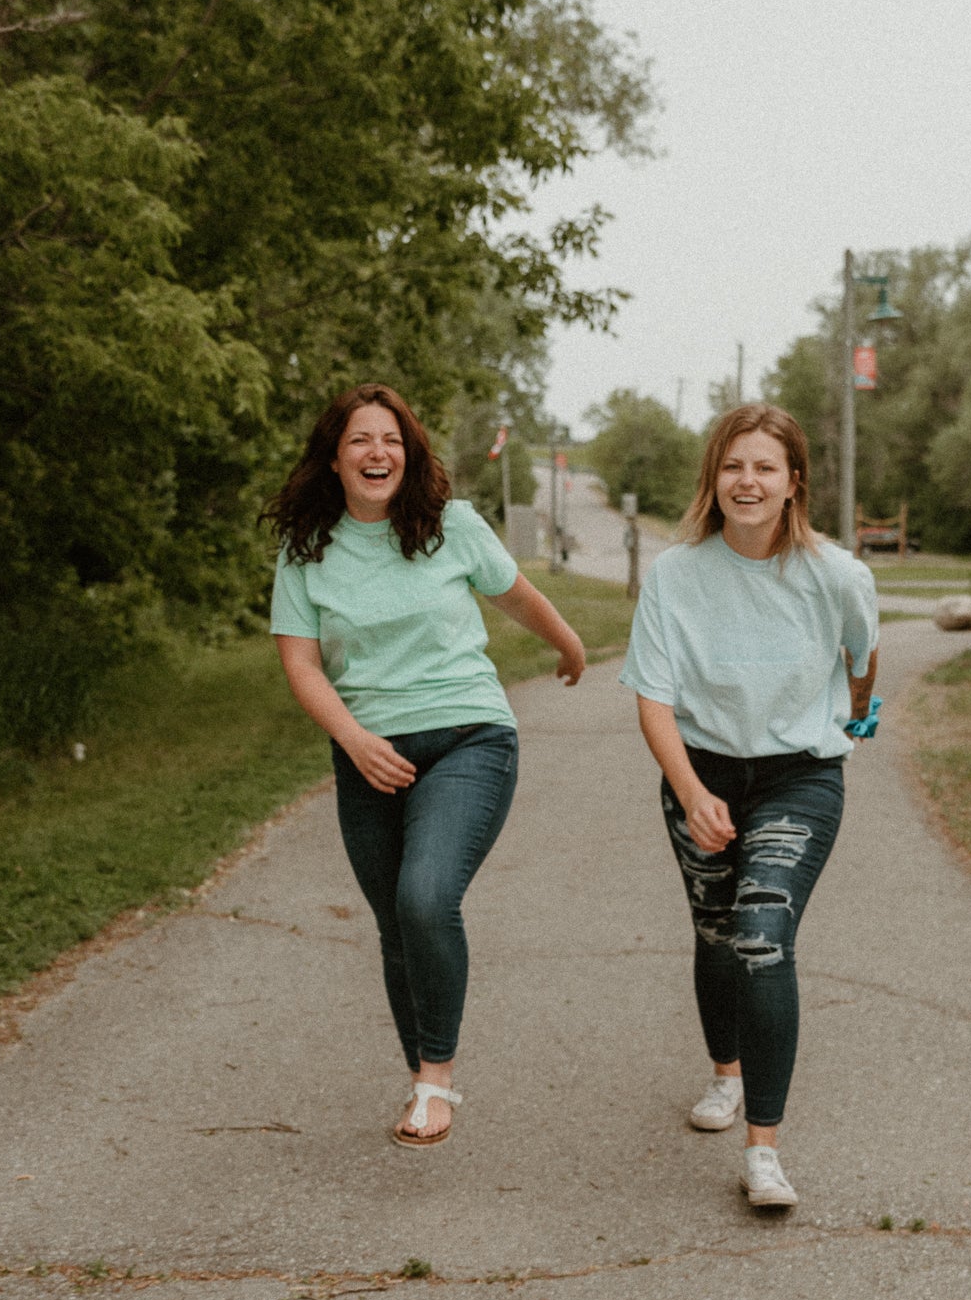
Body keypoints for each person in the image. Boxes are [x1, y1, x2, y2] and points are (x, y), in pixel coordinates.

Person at [266, 383, 586, 1147]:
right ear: (335, 459)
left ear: (408, 456)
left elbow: (516, 595)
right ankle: (420, 1083)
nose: (378, 454)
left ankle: (438, 1085)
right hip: (366, 752)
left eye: (392, 442)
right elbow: (302, 665)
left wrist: (570, 646)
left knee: (424, 896)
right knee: (395, 925)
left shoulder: (451, 525)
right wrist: (354, 740)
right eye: (360, 441)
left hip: (468, 736)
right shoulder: (306, 550)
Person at [620, 404, 878, 1210]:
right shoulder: (674, 575)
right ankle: (724, 1075)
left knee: (761, 935)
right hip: (699, 771)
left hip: (799, 776)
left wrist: (852, 715)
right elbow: (653, 701)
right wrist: (693, 792)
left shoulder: (835, 573)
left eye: (765, 466)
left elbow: (862, 656)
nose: (748, 481)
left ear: (793, 482)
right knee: (715, 930)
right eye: (734, 465)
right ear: (713, 477)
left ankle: (762, 1150)